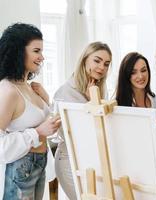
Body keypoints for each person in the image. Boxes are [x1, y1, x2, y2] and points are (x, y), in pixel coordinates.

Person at [0, 23, 61, 200]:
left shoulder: (29, 87)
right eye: (36, 51)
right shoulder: (8, 90)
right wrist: (37, 132)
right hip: (20, 167)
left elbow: (37, 121)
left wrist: (46, 100)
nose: (42, 57)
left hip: (38, 164)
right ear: (18, 51)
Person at [54, 41, 112, 199]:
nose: (102, 67)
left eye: (106, 64)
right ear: (85, 59)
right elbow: (72, 134)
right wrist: (89, 102)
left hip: (91, 161)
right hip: (69, 160)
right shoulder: (65, 92)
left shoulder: (99, 88)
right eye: (97, 60)